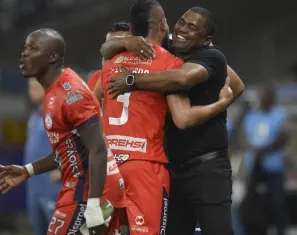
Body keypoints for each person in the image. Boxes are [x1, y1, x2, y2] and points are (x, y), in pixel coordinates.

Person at [100, 6, 245, 235]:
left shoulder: (211, 56)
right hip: (172, 167)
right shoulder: (167, 50)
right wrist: (126, 42)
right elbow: (106, 48)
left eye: (192, 28)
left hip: (207, 168)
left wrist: (221, 104)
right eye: (182, 22)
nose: (183, 30)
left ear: (206, 40)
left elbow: (185, 82)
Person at [0, 28, 126, 235]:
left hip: (89, 191)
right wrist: (28, 170)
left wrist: (93, 205)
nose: (25, 53)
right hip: (78, 189)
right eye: (25, 47)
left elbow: (98, 149)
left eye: (33, 48)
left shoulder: (72, 93)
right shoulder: (53, 93)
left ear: (53, 57)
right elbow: (69, 150)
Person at [240, 86, 289, 235]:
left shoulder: (280, 115)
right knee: (253, 203)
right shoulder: (252, 117)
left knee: (277, 203)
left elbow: (283, 138)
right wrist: (250, 148)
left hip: (272, 167)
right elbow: (243, 138)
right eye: (262, 97)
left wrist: (264, 151)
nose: (263, 100)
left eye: (266, 97)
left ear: (273, 99)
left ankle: (281, 231)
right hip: (254, 166)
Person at [24, 77, 61, 235]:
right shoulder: (33, 117)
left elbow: (72, 144)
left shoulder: (56, 115)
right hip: (34, 186)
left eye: (35, 87)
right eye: (29, 87)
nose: (31, 91)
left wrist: (63, 169)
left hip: (51, 185)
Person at [87, 21, 131, 91]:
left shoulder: (143, 74)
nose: (113, 48)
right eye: (110, 45)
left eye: (120, 45)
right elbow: (94, 101)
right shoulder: (97, 77)